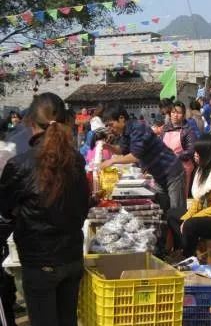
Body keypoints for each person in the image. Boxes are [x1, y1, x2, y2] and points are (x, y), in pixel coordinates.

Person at [0, 92, 90, 326]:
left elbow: (5, 211)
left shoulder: (19, 165)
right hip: (71, 258)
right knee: (67, 320)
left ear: (30, 122)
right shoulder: (76, 160)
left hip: (40, 263)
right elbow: (83, 208)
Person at [100, 103, 186, 253]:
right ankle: (165, 248)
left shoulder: (138, 128)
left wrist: (112, 160)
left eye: (111, 124)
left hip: (171, 171)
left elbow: (135, 155)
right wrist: (110, 148)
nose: (110, 128)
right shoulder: (126, 133)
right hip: (159, 175)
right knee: (160, 211)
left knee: (175, 213)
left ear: (121, 119)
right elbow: (123, 150)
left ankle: (182, 250)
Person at [162, 101, 196, 195]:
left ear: (184, 115)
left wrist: (174, 156)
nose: (175, 115)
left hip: (182, 168)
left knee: (179, 197)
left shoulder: (188, 131)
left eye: (179, 113)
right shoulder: (165, 129)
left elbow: (190, 151)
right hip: (166, 167)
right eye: (173, 112)